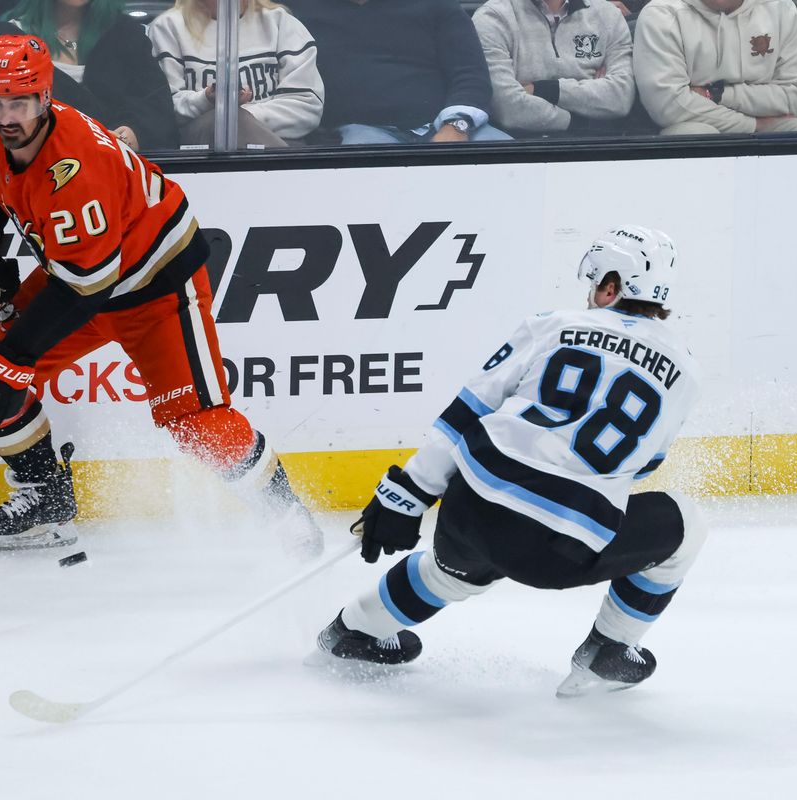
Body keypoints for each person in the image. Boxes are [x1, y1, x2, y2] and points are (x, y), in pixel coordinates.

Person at [0, 34, 321, 557]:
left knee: (199, 425)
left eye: (19, 103)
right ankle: (46, 500)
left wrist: (13, 361)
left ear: (45, 97)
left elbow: (84, 288)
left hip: (155, 289)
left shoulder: (78, 168)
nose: (6, 118)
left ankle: (285, 515)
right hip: (76, 280)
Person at [315, 225, 707, 698]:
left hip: (471, 506)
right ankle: (608, 650)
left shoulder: (550, 325)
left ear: (611, 286)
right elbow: (643, 466)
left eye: (596, 281)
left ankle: (352, 629)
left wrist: (408, 494)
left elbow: (467, 412)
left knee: (454, 570)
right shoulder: (685, 372)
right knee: (687, 524)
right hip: (558, 552)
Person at [282, 0, 508, 145]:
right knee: (363, 165)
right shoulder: (294, 11)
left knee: (507, 161)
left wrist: (456, 125)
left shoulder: (438, 5)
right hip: (356, 132)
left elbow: (470, 75)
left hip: (448, 125)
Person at [0, 0, 178, 151]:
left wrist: (132, 133)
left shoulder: (126, 33)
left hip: (118, 171)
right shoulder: (7, 42)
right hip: (42, 172)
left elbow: (156, 105)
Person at [633, 0, 797, 135]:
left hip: (770, 125)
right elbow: (669, 106)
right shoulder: (661, 14)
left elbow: (793, 95)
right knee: (695, 134)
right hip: (698, 125)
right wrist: (753, 125)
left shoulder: (781, 8)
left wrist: (716, 94)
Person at [147, 0, 323, 148]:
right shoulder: (167, 27)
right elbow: (162, 110)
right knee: (224, 122)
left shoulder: (280, 22)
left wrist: (240, 116)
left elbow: (307, 106)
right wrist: (206, 99)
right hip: (198, 151)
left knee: (234, 121)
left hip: (280, 143)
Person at [472, 0, 637, 137]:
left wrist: (542, 90)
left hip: (603, 150)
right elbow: (508, 108)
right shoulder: (493, 17)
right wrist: (583, 120)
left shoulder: (608, 15)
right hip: (519, 149)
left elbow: (621, 97)